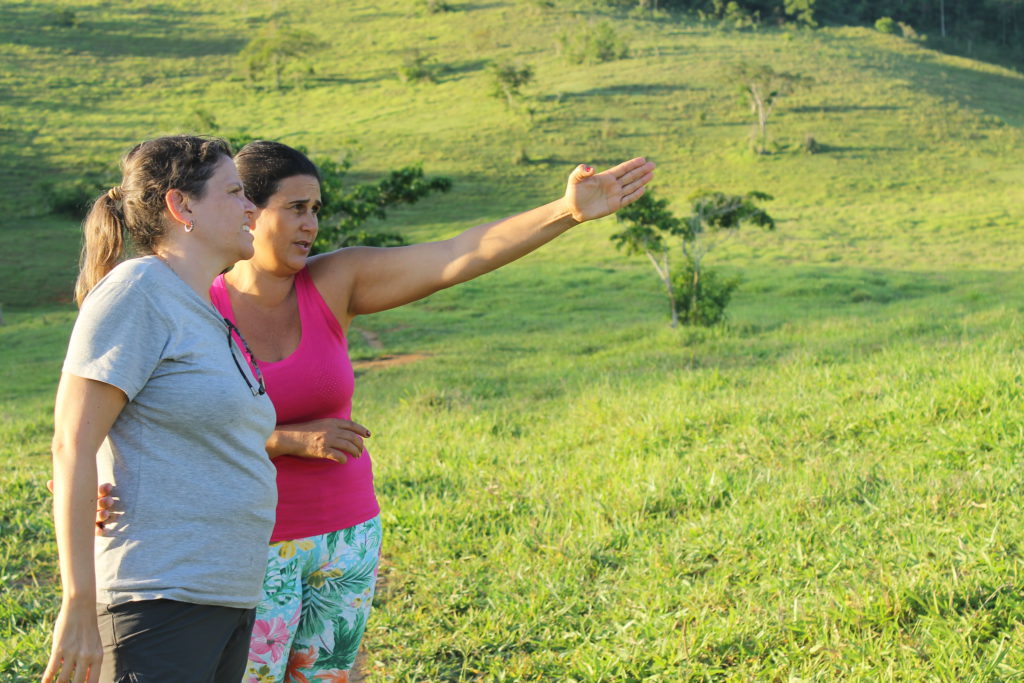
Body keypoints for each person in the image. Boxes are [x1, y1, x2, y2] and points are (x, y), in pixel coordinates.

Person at [83, 141, 655, 682]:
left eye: (316, 209)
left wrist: (565, 211)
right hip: (244, 544)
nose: (312, 225)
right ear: (245, 212)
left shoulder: (335, 282)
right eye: (296, 208)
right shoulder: (186, 299)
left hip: (346, 533)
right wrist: (285, 441)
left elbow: (460, 254)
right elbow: (138, 420)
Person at [43, 135, 278, 683]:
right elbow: (71, 443)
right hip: (157, 601)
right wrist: (78, 603)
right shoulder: (138, 290)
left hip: (224, 597)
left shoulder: (203, 309)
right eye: (235, 192)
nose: (251, 208)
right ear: (182, 206)